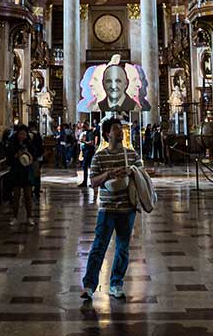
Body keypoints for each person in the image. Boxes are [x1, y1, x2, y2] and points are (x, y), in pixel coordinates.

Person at [81, 118, 141, 301]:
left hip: (127, 208)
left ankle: (116, 284)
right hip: (107, 208)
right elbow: (92, 182)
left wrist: (130, 172)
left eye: (121, 129)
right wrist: (108, 174)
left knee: (123, 247)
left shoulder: (131, 155)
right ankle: (89, 286)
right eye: (116, 129)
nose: (121, 132)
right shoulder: (99, 157)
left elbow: (142, 175)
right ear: (108, 134)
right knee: (99, 247)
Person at [6, 125, 36, 227]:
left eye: (24, 134)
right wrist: (15, 156)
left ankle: (29, 217)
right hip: (16, 172)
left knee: (28, 196)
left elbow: (34, 155)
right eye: (20, 134)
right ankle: (15, 217)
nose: (22, 136)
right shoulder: (13, 144)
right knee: (16, 196)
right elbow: (9, 158)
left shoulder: (29, 144)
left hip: (27, 173)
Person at [79, 122, 96, 187]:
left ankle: (90, 182)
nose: (81, 128)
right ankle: (85, 181)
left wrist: (84, 142)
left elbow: (91, 143)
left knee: (88, 167)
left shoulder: (90, 133)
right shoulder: (86, 133)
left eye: (83, 126)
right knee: (85, 166)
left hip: (89, 152)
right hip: (86, 151)